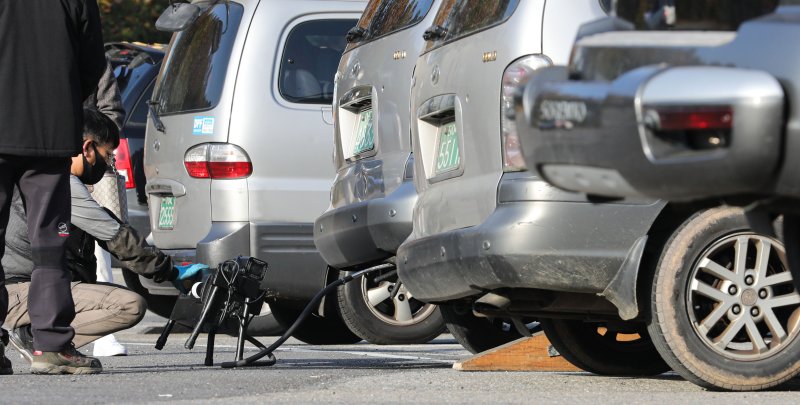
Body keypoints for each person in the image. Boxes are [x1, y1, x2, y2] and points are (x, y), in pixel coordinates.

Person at [2, 108, 208, 373]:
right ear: (87, 149)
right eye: (108, 154)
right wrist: (170, 271)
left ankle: (37, 332)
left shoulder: (38, 176)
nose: (110, 162)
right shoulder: (61, 183)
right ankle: (35, 336)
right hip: (21, 292)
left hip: (16, 290)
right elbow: (115, 236)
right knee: (129, 305)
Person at [0, 0, 107, 375]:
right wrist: (62, 98)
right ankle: (51, 345)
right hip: (50, 130)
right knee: (49, 246)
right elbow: (93, 61)